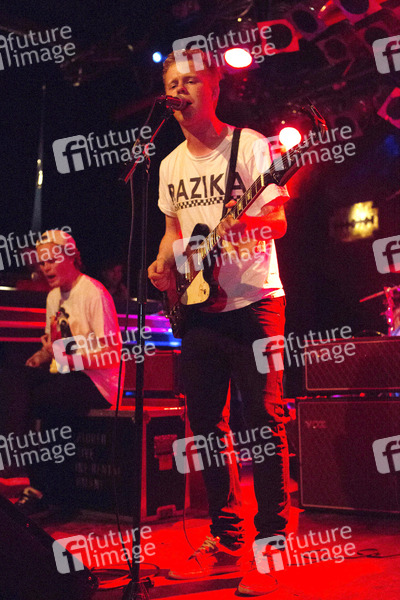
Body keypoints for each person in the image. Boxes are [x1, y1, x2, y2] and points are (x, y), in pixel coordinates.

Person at [148, 49, 291, 596]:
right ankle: (226, 537)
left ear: (214, 89)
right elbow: (173, 231)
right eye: (173, 82)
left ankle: (272, 545)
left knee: (264, 422)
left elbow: (278, 221)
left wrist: (241, 223)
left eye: (191, 80)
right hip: (199, 305)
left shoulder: (250, 146)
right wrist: (164, 265)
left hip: (255, 302)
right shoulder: (169, 165)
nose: (180, 90)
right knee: (207, 427)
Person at [0, 230, 122, 515]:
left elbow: (112, 354)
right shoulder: (53, 296)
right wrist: (41, 356)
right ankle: (30, 478)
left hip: (96, 382)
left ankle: (27, 477)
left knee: (37, 399)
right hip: (65, 375)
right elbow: (55, 346)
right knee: (12, 376)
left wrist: (67, 358)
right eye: (42, 263)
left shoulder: (94, 293)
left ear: (71, 257)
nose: (46, 268)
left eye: (51, 261)